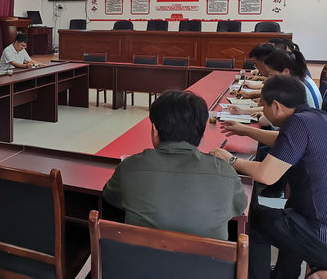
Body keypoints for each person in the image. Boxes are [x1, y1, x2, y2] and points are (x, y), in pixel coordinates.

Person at [211, 75, 327, 279]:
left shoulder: (297, 123)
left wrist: (230, 160)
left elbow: (266, 175)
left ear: (276, 106)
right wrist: (244, 130)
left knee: (253, 222)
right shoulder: (316, 118)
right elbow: (284, 140)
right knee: (290, 218)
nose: (262, 110)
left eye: (264, 105)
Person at [102, 90, 247, 241]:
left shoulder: (129, 167)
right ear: (201, 132)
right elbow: (239, 208)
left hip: (137, 256)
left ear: (155, 130)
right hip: (204, 257)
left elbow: (110, 197)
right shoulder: (225, 172)